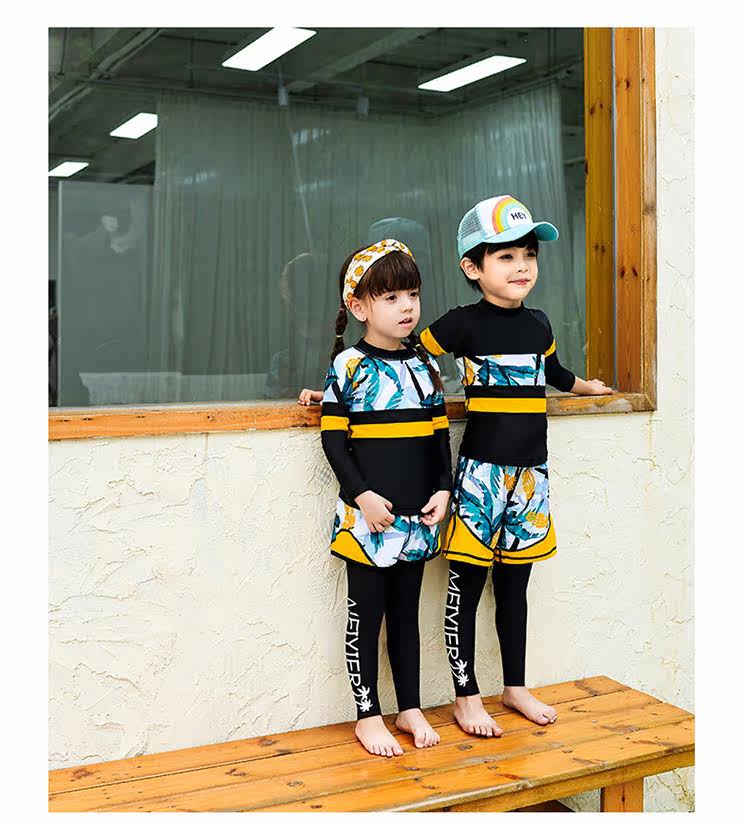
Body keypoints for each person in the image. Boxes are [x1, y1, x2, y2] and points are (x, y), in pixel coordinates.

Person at [418, 194, 613, 738]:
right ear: (472, 268)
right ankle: (466, 697)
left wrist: (586, 387)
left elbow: (554, 371)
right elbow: (404, 354)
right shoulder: (461, 324)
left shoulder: (539, 324)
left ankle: (515, 686)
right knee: (466, 587)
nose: (522, 265)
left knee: (515, 588)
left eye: (528, 254)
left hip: (532, 477)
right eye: (505, 256)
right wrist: (342, 389)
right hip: (481, 476)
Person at [299, 239, 453, 757]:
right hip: (366, 519)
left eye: (412, 294)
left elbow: (438, 437)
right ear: (359, 307)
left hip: (417, 517)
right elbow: (334, 442)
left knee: (407, 616)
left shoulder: (425, 366)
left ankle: (409, 707)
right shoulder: (348, 366)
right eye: (391, 298)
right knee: (366, 617)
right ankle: (368, 716)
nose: (407, 306)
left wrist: (443, 488)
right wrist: (362, 495)